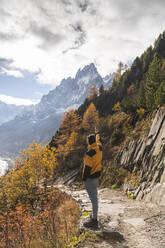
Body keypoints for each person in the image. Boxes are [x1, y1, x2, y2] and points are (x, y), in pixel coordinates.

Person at [82, 131, 103, 229]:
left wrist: (84, 178)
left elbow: (87, 168)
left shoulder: (89, 153)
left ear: (88, 142)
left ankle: (94, 220)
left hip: (90, 178)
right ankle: (94, 216)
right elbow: (100, 141)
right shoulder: (99, 148)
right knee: (95, 196)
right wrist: (97, 134)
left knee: (93, 198)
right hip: (97, 175)